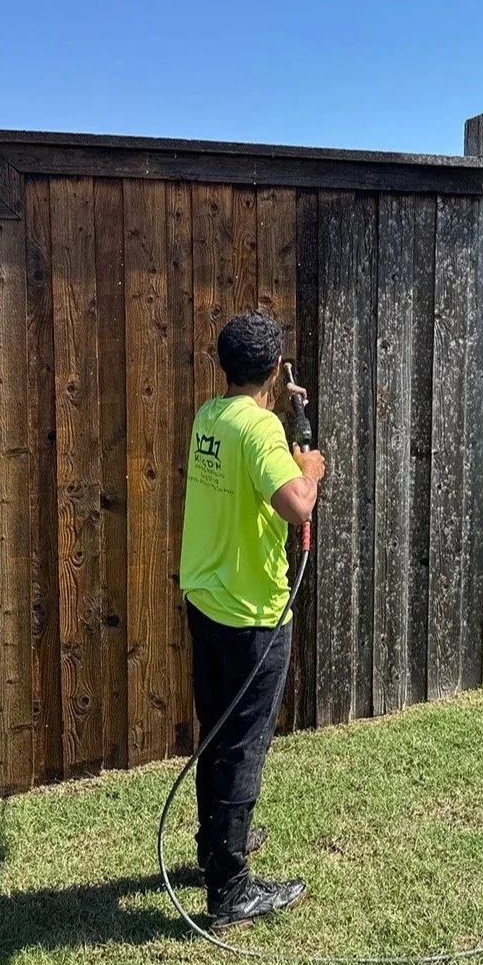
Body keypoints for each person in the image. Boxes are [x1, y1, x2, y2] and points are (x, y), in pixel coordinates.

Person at [179, 309, 326, 928]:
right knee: (242, 745)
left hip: (207, 600)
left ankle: (215, 848)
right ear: (273, 368)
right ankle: (231, 889)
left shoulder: (211, 418)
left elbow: (250, 460)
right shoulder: (261, 430)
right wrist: (311, 470)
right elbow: (296, 506)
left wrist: (286, 418)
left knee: (216, 730)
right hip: (251, 613)